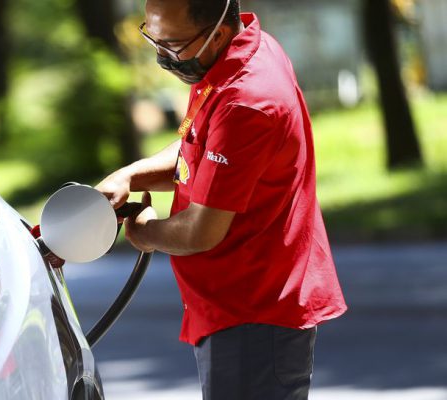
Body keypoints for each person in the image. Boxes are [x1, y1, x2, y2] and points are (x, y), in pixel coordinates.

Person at [96, 0, 347, 398]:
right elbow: (198, 149)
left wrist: (143, 230)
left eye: (173, 45)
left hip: (255, 316)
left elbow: (201, 230)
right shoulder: (234, 55)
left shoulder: (247, 100)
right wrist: (129, 175)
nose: (162, 56)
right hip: (234, 309)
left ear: (218, 32)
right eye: (154, 39)